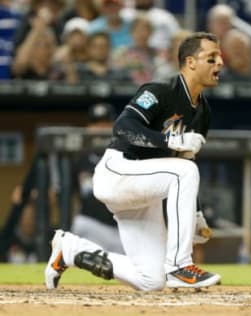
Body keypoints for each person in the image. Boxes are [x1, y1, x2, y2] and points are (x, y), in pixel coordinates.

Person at [45, 32, 224, 291]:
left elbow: (186, 159)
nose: (219, 62)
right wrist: (169, 142)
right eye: (211, 57)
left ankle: (71, 250)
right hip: (118, 172)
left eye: (219, 57)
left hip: (143, 192)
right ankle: (179, 265)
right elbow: (123, 127)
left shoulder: (203, 112)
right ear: (190, 62)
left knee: (150, 280)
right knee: (184, 172)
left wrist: (195, 213)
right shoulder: (161, 90)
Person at [70, 103, 123, 254]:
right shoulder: (79, 158)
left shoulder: (126, 154)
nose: (100, 128)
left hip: (123, 229)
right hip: (93, 226)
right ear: (88, 127)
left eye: (106, 123)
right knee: (80, 224)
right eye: (96, 124)